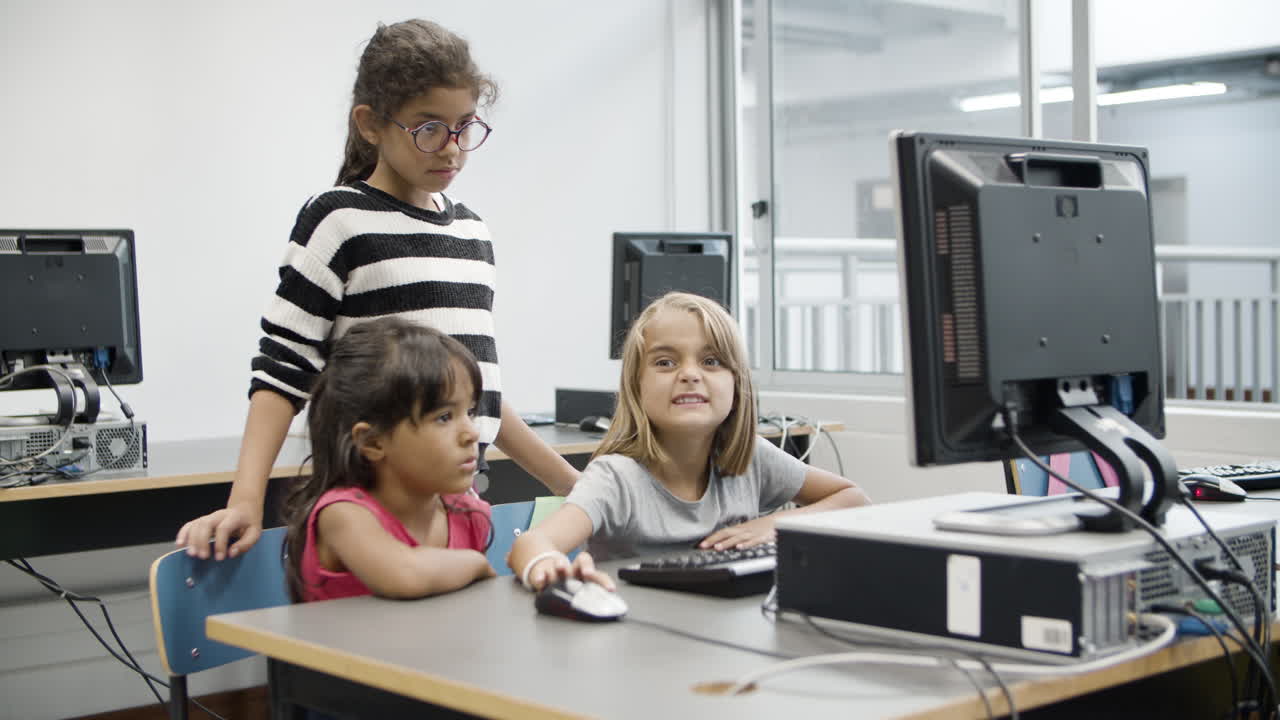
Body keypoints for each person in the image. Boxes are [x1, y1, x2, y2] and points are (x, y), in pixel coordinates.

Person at [177, 18, 578, 561]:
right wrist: (244, 500)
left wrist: (575, 487)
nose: (452, 150)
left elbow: (478, 395)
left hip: (458, 512)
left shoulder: (472, 234)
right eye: (428, 128)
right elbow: (282, 368)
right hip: (365, 515)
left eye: (465, 127)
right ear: (370, 124)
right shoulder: (339, 220)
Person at [507, 292, 871, 591]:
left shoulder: (752, 460)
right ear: (636, 386)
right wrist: (549, 566)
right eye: (665, 363)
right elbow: (531, 544)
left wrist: (773, 525)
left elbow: (853, 500)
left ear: (737, 382)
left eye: (711, 361)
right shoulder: (616, 477)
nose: (690, 375)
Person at [285, 318, 495, 601]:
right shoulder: (342, 514)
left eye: (469, 412)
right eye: (444, 417)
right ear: (372, 441)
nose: (471, 433)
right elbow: (406, 575)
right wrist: (477, 563)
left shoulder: (469, 515)